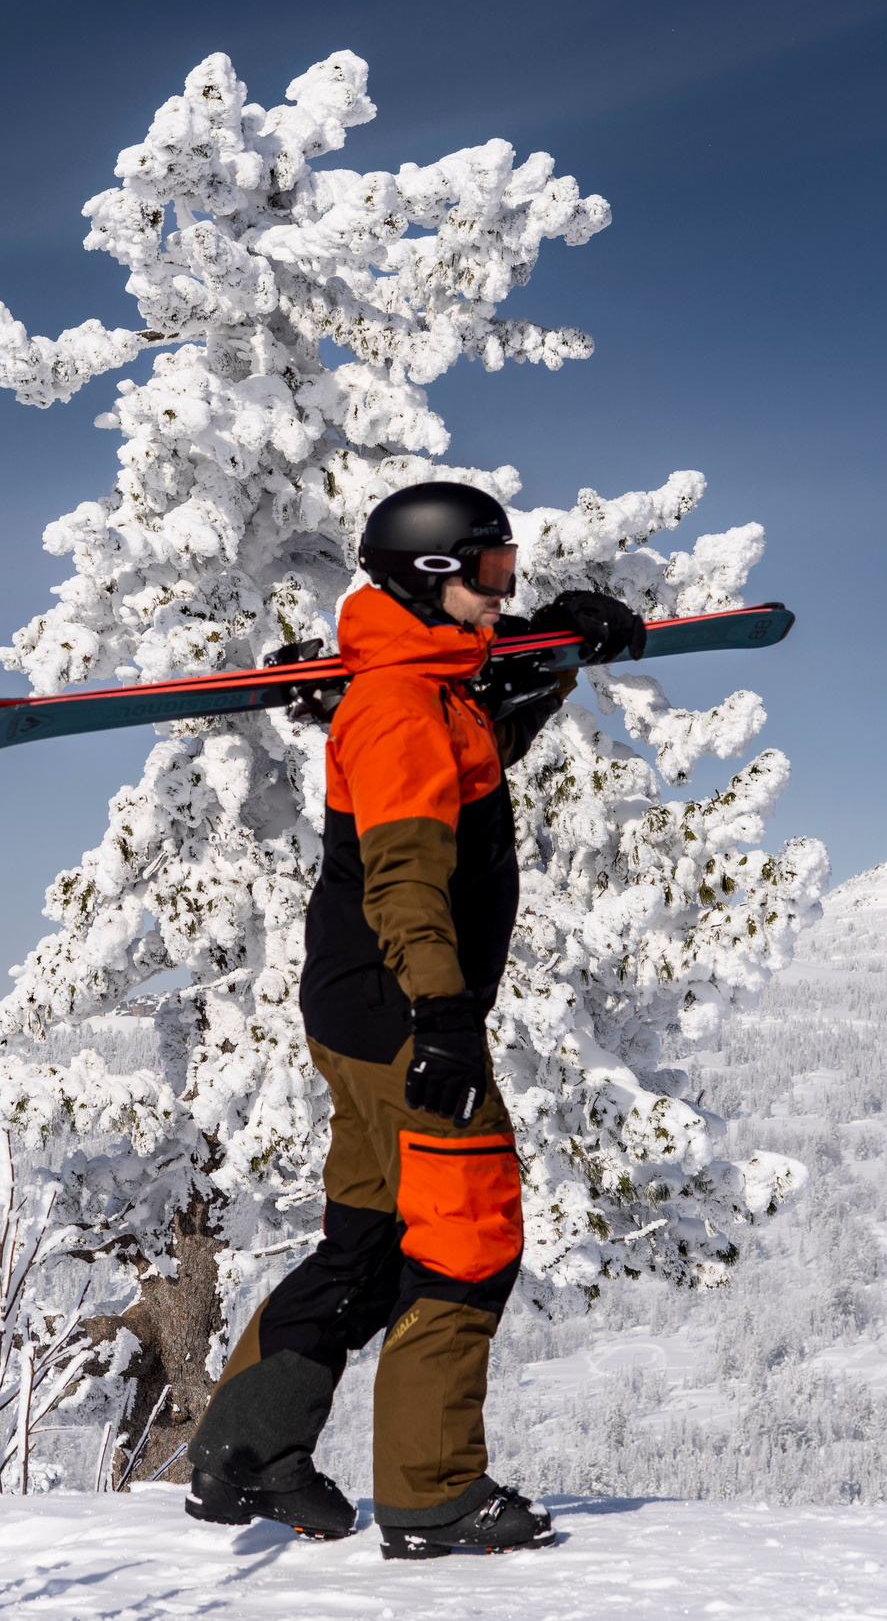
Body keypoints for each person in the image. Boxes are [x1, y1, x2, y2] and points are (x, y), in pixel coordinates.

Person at [184, 480, 646, 1559]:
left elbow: (478, 756)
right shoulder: (398, 705)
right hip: (403, 1016)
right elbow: (403, 877)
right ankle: (433, 1496)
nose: (504, 586)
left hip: (354, 1010)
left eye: (509, 569)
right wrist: (440, 1018)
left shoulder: (425, 685)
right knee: (464, 1240)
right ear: (436, 578)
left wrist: (559, 648)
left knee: (370, 1238)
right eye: (490, 571)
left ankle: (246, 1454)